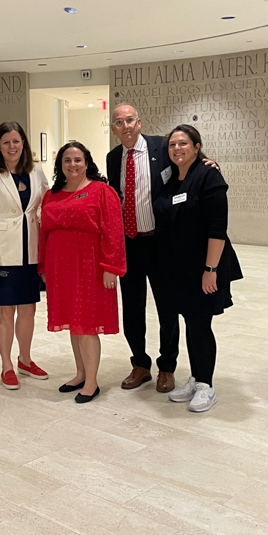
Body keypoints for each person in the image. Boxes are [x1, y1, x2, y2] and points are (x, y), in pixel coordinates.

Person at [106, 104, 218, 394]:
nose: (126, 126)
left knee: (167, 308)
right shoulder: (113, 157)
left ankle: (166, 367)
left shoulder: (161, 146)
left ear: (139, 122)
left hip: (160, 243)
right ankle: (140, 364)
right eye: (119, 122)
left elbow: (188, 161)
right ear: (114, 128)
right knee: (131, 308)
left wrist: (207, 162)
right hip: (129, 244)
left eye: (130, 120)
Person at [153, 125, 242, 412]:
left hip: (203, 268)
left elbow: (218, 227)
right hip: (174, 268)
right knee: (188, 322)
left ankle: (206, 385)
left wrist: (210, 269)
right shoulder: (170, 179)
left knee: (200, 324)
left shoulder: (208, 175)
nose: (177, 149)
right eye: (172, 145)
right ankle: (195, 378)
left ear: (196, 146)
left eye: (183, 143)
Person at [38, 141, 126, 403]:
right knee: (73, 322)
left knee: (87, 323)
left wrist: (112, 267)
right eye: (67, 160)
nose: (73, 165)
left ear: (87, 162)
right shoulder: (52, 194)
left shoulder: (101, 191)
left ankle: (91, 381)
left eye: (77, 159)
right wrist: (43, 266)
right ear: (60, 165)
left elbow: (113, 231)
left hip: (89, 263)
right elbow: (44, 233)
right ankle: (79, 373)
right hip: (59, 265)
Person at [0, 121, 49, 389]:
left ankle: (25, 359)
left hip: (30, 252)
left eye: (16, 141)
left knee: (28, 310)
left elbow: (45, 202)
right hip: (3, 254)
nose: (12, 146)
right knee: (5, 312)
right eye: (6, 142)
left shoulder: (36, 170)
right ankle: (7, 364)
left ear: (24, 144)